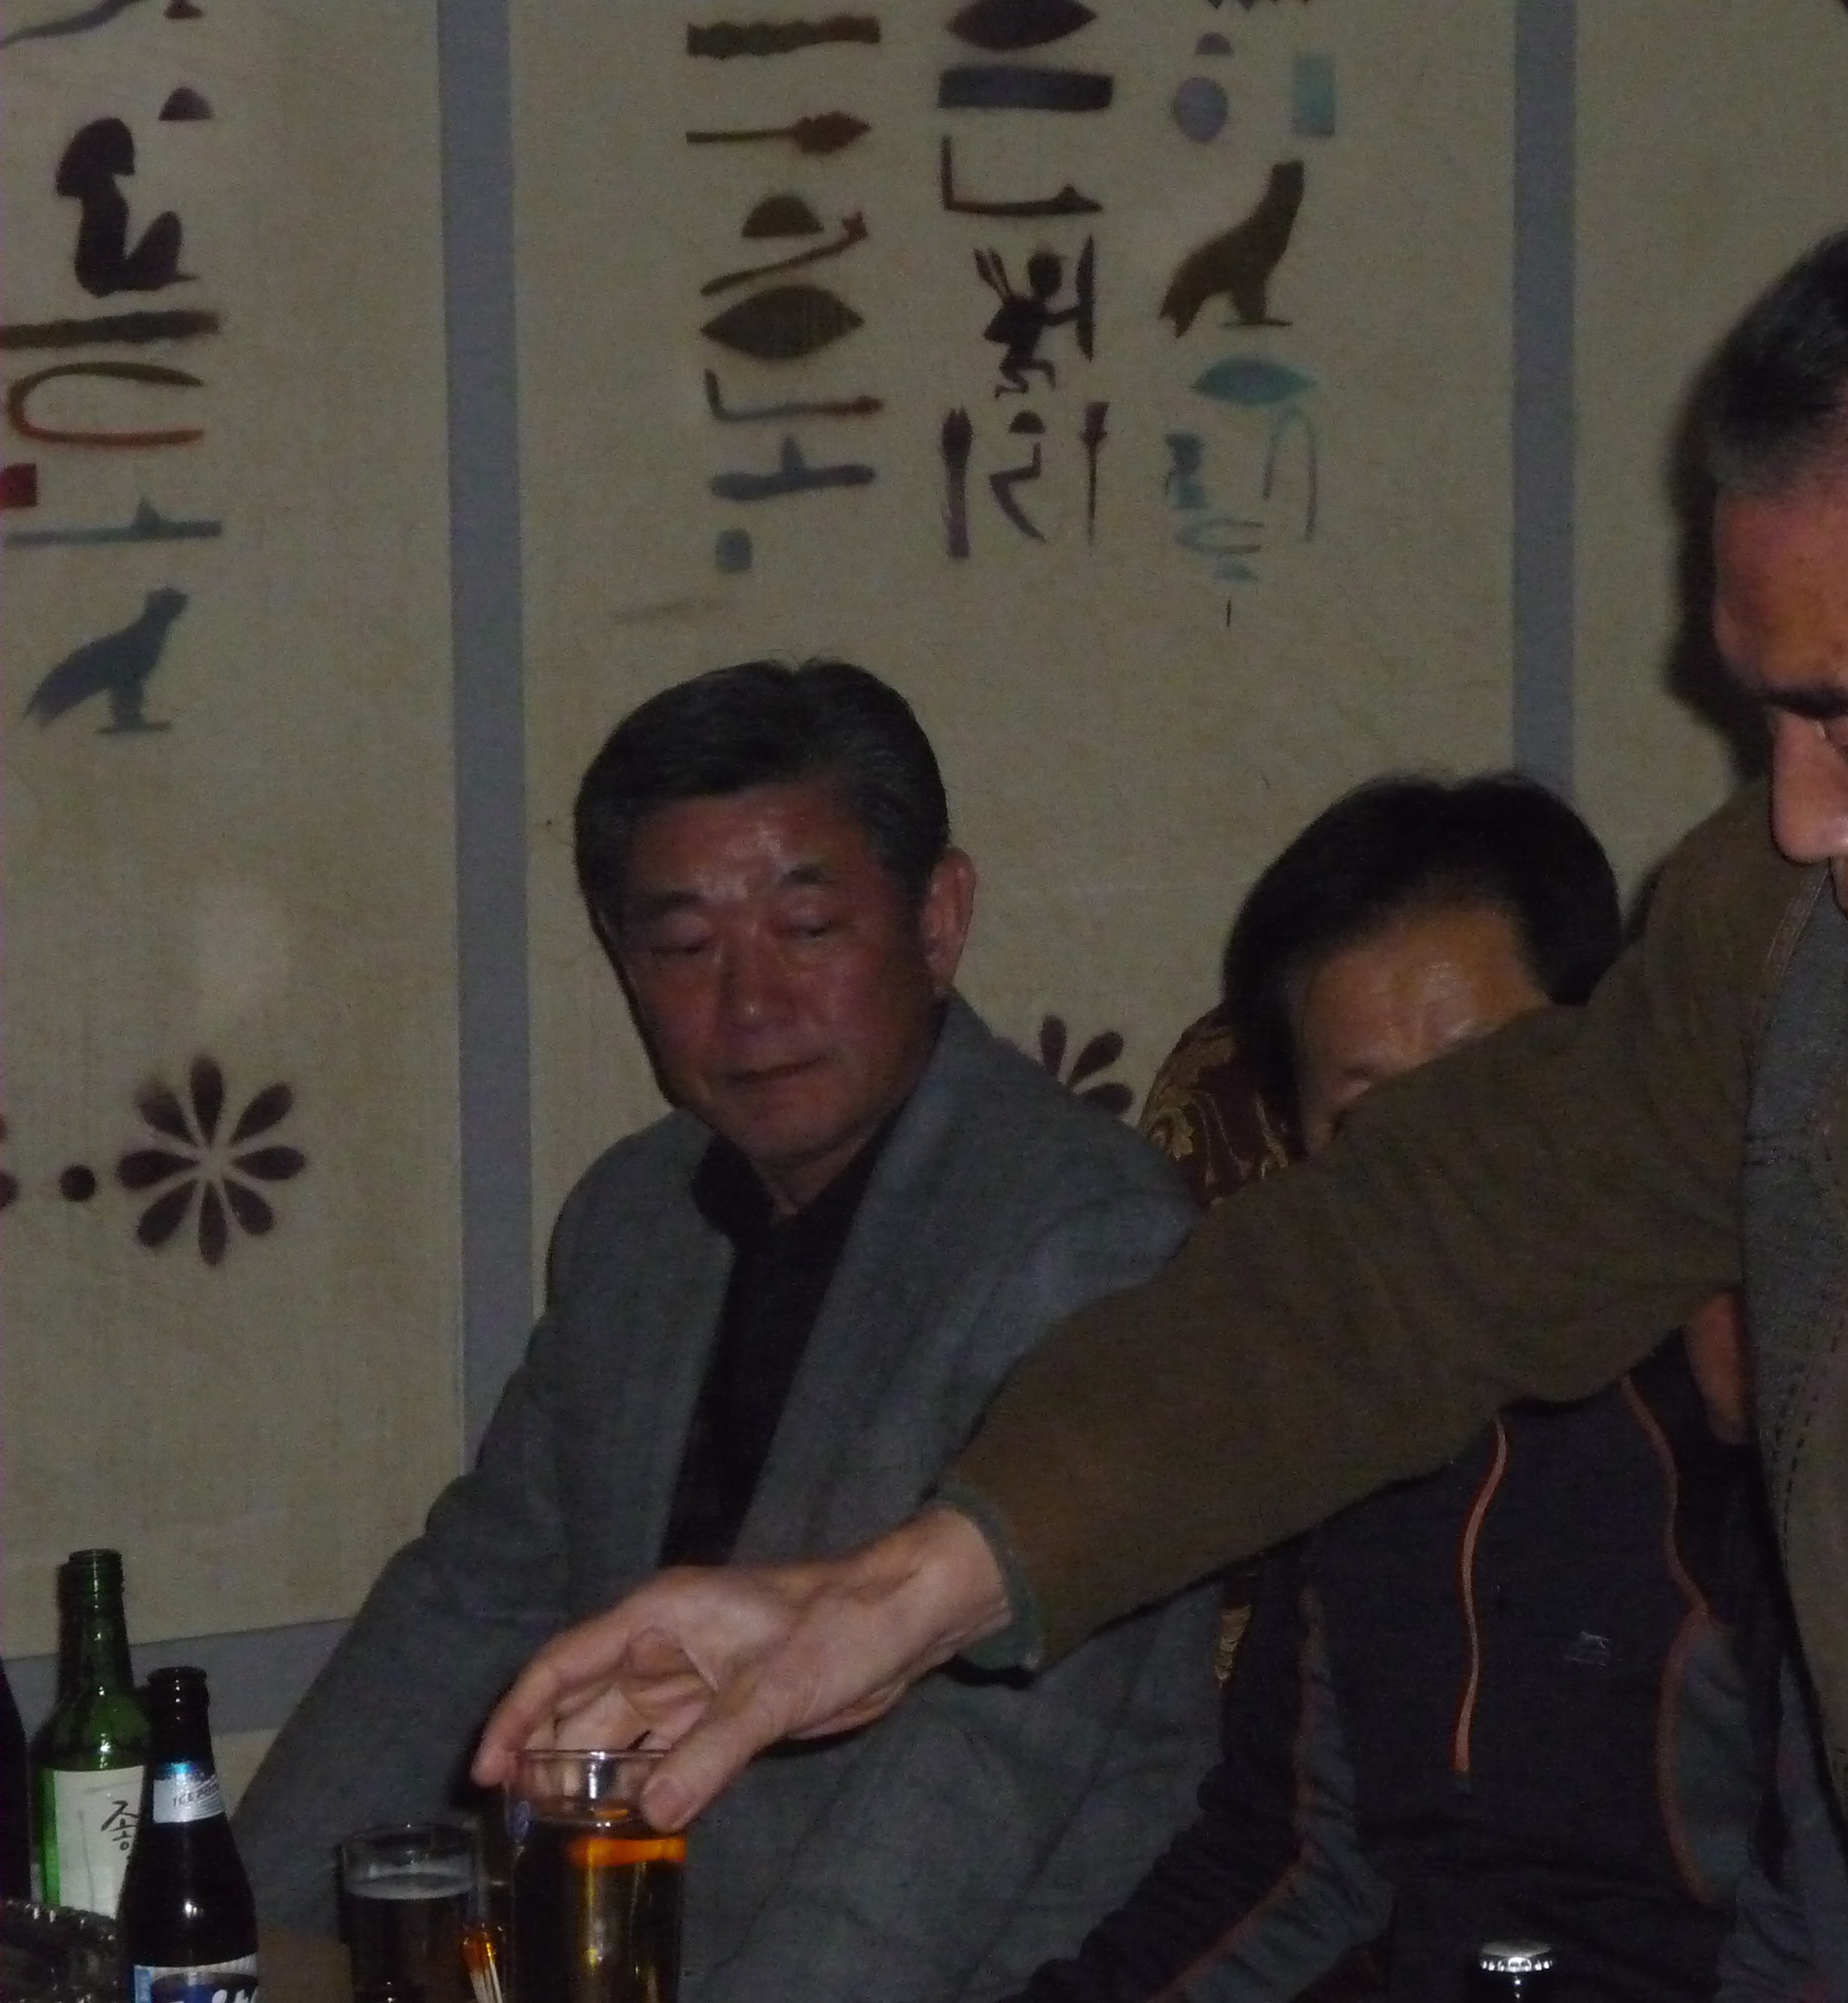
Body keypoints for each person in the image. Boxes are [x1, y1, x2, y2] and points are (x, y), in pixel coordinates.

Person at [477, 186, 1848, 2003]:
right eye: (1766, 720)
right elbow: (1413, 1258)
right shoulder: (1816, 944)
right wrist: (897, 1589)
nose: (1799, 818)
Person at [238, 661, 1219, 2001]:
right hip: (628, 1944)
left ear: (938, 920)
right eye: (687, 948)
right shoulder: (636, 1217)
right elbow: (470, 1600)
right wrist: (214, 1932)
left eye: (806, 929)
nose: (751, 1004)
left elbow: (985, 1768)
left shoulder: (1079, 1235)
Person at [1009, 773, 1848, 2003]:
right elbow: (1293, 1860)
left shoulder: (1749, 1400)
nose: (1444, 1171)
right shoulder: (1337, 1435)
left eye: (1494, 1090)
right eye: (1376, 1124)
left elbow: (1843, 1907)